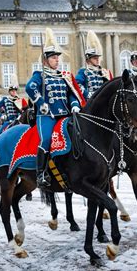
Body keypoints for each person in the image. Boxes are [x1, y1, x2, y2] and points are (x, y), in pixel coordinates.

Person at [25, 27, 85, 188]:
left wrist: (74, 105)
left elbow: (71, 93)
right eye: (53, 58)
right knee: (46, 139)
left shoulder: (63, 76)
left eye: (57, 57)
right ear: (45, 60)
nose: (57, 60)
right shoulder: (39, 75)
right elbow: (30, 88)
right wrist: (40, 103)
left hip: (65, 114)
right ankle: (41, 173)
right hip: (47, 116)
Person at [76, 31, 113, 99]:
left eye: (98, 58)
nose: (97, 60)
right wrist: (87, 94)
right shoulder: (83, 71)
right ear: (88, 60)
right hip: (90, 100)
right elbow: (77, 84)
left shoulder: (104, 72)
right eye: (94, 58)